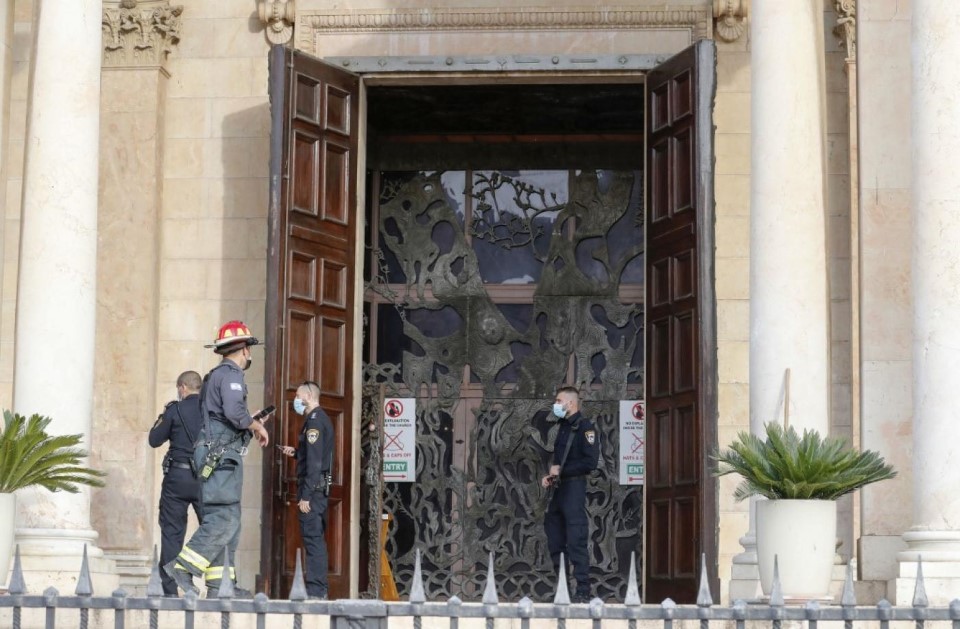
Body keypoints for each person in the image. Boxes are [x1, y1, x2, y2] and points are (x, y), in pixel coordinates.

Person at [164, 320, 272, 598]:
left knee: (229, 522)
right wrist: (257, 425)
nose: (250, 354)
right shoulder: (232, 375)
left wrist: (251, 422)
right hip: (221, 458)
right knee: (224, 518)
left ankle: (219, 587)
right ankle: (182, 567)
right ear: (245, 349)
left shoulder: (215, 376)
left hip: (216, 455)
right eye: (249, 349)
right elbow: (235, 413)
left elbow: (224, 419)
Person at [540, 385, 601, 603]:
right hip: (558, 489)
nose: (556, 405)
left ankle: (583, 591)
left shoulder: (586, 428)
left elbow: (590, 463)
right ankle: (562, 590)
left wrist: (562, 470)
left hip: (574, 488)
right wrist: (552, 475)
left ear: (570, 403)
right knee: (556, 540)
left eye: (558, 401)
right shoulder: (563, 427)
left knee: (576, 539)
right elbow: (560, 460)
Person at [149, 370, 204, 597]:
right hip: (205, 479)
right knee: (213, 529)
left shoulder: (174, 409)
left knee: (172, 533)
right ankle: (217, 585)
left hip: (177, 479)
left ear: (183, 388)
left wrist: (164, 414)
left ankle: (170, 591)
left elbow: (154, 439)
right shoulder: (211, 410)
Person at [279, 381, 335, 600]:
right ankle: (317, 589)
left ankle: (316, 591)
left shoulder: (314, 422)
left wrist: (305, 496)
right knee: (315, 539)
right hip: (318, 489)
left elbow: (315, 463)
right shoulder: (318, 420)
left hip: (312, 491)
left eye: (299, 395)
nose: (296, 400)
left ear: (310, 396)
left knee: (313, 540)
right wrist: (295, 452)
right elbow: (311, 455)